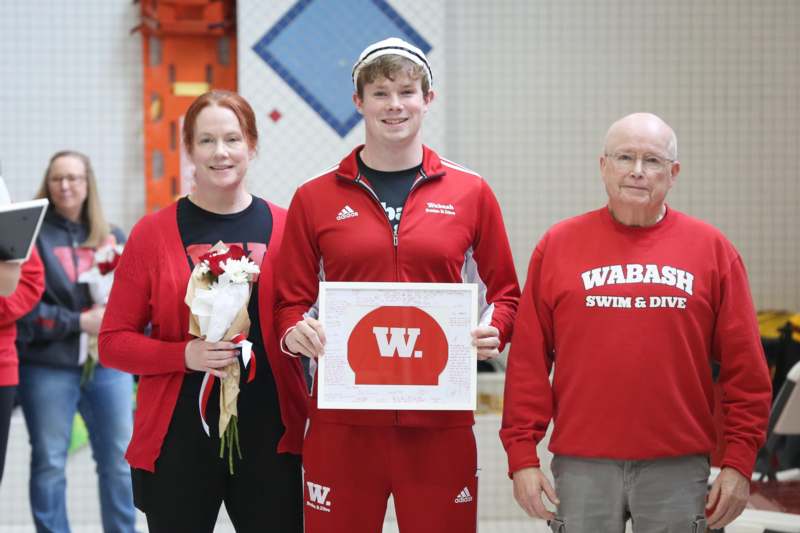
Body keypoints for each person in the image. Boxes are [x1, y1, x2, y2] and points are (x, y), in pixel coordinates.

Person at [276, 37, 520, 533]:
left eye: (407, 92)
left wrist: (496, 328)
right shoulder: (314, 196)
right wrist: (294, 333)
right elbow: (289, 302)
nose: (394, 105)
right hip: (343, 422)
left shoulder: (471, 192)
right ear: (358, 101)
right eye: (381, 93)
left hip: (439, 421)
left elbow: (507, 294)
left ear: (428, 99)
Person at [500, 113, 773, 532]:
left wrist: (739, 463)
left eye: (653, 160)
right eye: (625, 157)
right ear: (603, 165)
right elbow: (528, 364)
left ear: (673, 172)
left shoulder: (713, 251)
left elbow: (747, 372)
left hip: (678, 467)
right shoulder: (557, 246)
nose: (637, 171)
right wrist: (522, 457)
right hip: (582, 464)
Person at [99, 90, 307, 533]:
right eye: (207, 140)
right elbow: (113, 343)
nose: (220, 152)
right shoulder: (152, 234)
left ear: (252, 145)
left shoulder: (289, 227)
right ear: (189, 149)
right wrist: (183, 355)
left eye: (232, 139)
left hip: (271, 433)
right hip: (178, 437)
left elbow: (305, 317)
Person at [13, 151, 136, 533]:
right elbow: (20, 307)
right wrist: (78, 322)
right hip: (47, 366)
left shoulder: (112, 236)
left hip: (108, 368)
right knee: (49, 462)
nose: (65, 186)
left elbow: (133, 299)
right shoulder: (31, 236)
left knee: (119, 461)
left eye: (74, 178)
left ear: (88, 184)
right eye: (57, 178)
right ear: (47, 184)